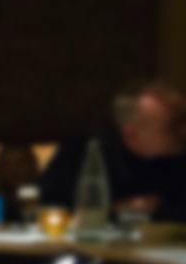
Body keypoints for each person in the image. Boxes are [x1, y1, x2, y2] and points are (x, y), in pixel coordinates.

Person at [38, 80, 186, 223]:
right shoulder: (86, 150)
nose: (183, 131)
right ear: (132, 135)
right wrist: (109, 210)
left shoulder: (178, 152)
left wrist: (161, 209)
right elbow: (50, 206)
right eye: (174, 126)